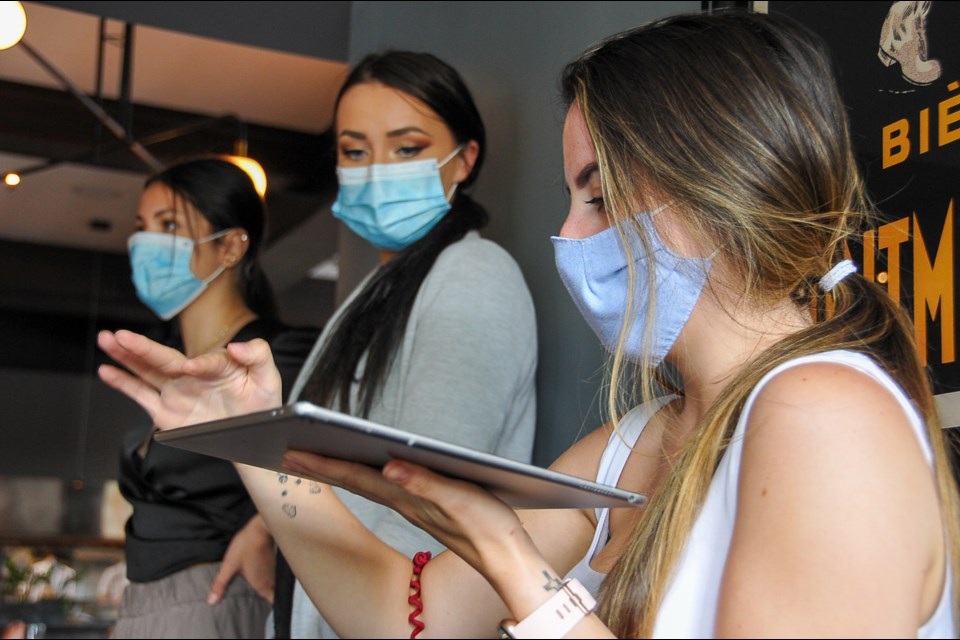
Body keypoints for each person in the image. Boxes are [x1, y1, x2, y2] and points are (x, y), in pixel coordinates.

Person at [96, 10, 960, 639]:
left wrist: (518, 567)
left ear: (717, 183)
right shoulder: (642, 438)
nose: (569, 236)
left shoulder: (822, 414)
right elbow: (413, 618)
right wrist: (254, 439)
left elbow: (499, 583)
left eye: (599, 194)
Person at [112, 52, 540, 640]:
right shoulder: (377, 292)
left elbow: (427, 499)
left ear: (464, 158)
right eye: (355, 151)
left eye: (408, 148)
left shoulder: (472, 275)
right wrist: (263, 529)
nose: (378, 169)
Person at [110, 157, 318, 638]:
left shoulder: (277, 356)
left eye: (169, 226)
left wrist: (263, 529)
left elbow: (317, 467)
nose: (146, 243)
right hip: (145, 603)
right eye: (141, 227)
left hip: (222, 597)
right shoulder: (167, 368)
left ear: (230, 245)